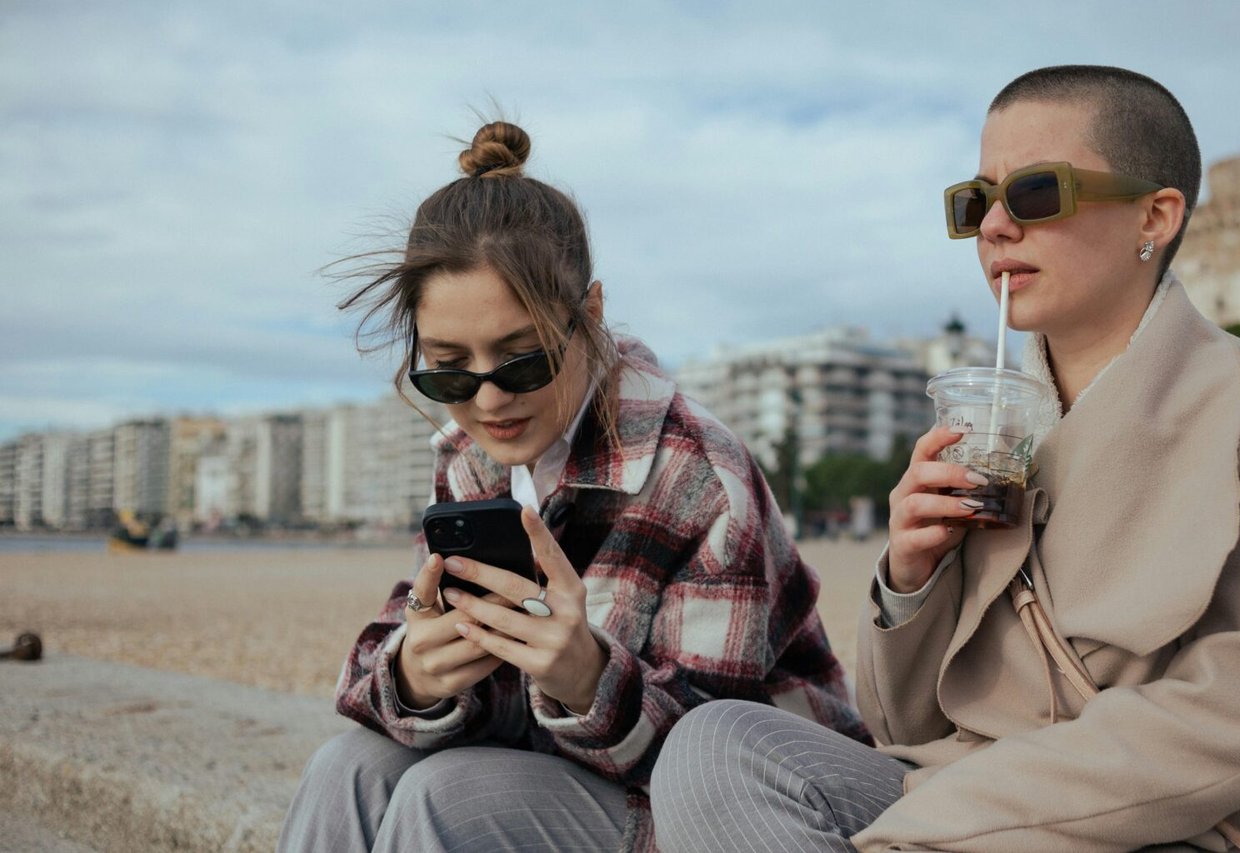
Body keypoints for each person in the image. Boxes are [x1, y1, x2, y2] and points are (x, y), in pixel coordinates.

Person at [652, 65, 1240, 852]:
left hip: (1187, 826)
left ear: (1156, 214)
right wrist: (911, 577)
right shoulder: (989, 433)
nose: (994, 227)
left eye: (1037, 194)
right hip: (962, 792)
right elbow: (906, 726)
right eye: (976, 203)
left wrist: (928, 830)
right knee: (714, 744)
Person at [279, 120, 867, 853]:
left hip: (758, 804)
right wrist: (413, 674)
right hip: (580, 772)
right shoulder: (471, 457)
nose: (488, 399)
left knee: (443, 797)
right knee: (350, 766)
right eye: (449, 369)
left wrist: (589, 679)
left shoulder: (699, 476)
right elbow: (399, 653)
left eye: (523, 360)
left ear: (588, 314)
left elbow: (713, 769)